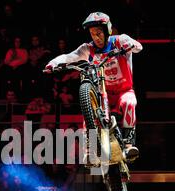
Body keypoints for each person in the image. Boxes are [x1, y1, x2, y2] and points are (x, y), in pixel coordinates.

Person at [45, 12, 143, 163]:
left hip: (124, 91)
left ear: (107, 30)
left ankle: (129, 145)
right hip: (104, 93)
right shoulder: (87, 49)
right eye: (92, 34)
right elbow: (68, 57)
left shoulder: (120, 41)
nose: (96, 37)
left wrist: (131, 45)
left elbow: (138, 47)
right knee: (89, 109)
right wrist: (52, 64)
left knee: (130, 102)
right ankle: (90, 150)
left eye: (98, 33)